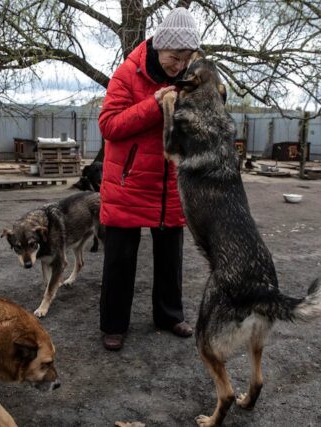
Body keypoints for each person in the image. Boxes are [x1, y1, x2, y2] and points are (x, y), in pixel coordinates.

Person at [97, 7, 200, 351]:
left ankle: (170, 315)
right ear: (159, 46)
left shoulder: (189, 76)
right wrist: (155, 105)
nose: (179, 65)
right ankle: (114, 325)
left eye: (186, 59)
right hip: (129, 181)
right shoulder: (128, 74)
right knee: (120, 259)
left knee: (171, 256)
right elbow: (109, 125)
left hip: (171, 183)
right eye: (174, 57)